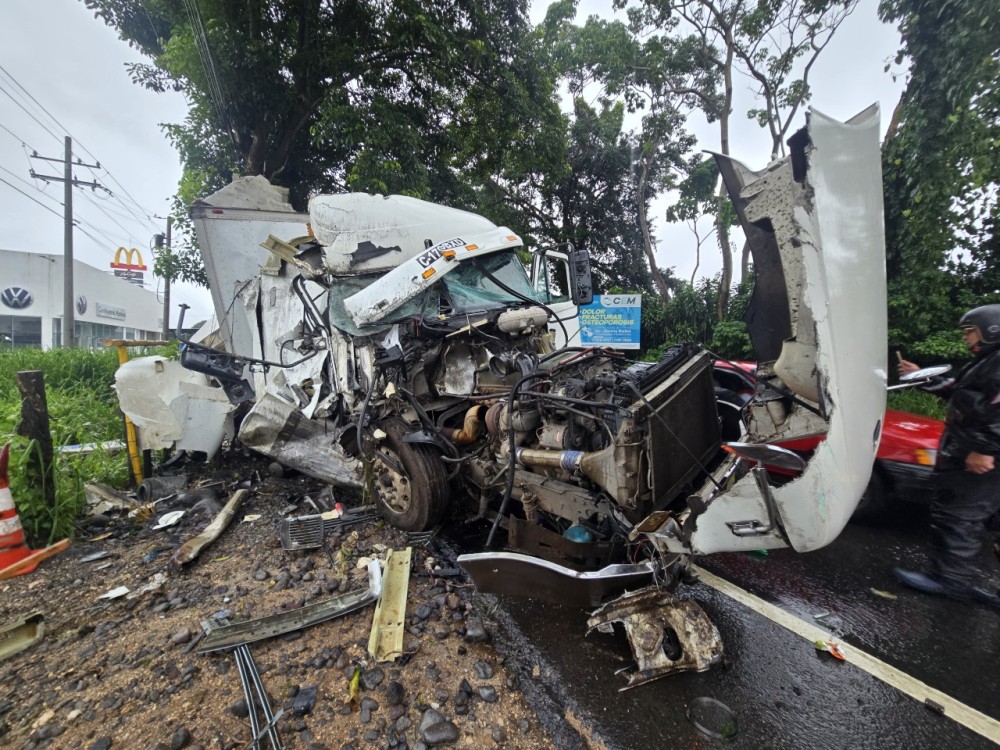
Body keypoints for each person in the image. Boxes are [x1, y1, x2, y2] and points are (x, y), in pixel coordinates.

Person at [894, 304, 1000, 607]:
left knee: (958, 516)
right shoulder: (986, 361)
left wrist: (985, 449)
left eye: (970, 331)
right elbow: (955, 390)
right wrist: (920, 376)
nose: (966, 337)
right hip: (983, 453)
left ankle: (949, 581)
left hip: (984, 457)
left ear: (990, 330)